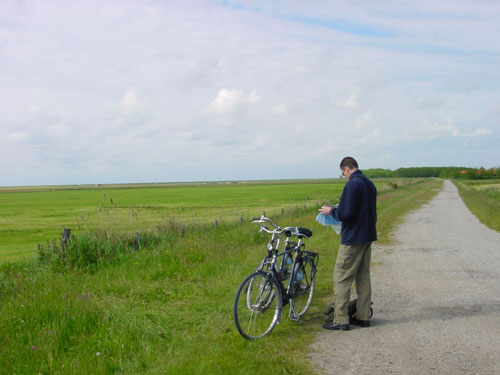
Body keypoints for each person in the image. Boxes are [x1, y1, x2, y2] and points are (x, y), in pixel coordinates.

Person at [319, 156, 377, 331]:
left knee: (341, 277)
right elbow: (358, 207)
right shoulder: (368, 183)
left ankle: (341, 319)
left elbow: (346, 215)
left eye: (343, 173)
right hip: (367, 237)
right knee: (363, 277)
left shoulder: (352, 184)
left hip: (353, 239)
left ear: (346, 169)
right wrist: (342, 205)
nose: (344, 176)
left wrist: (332, 211)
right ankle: (363, 316)